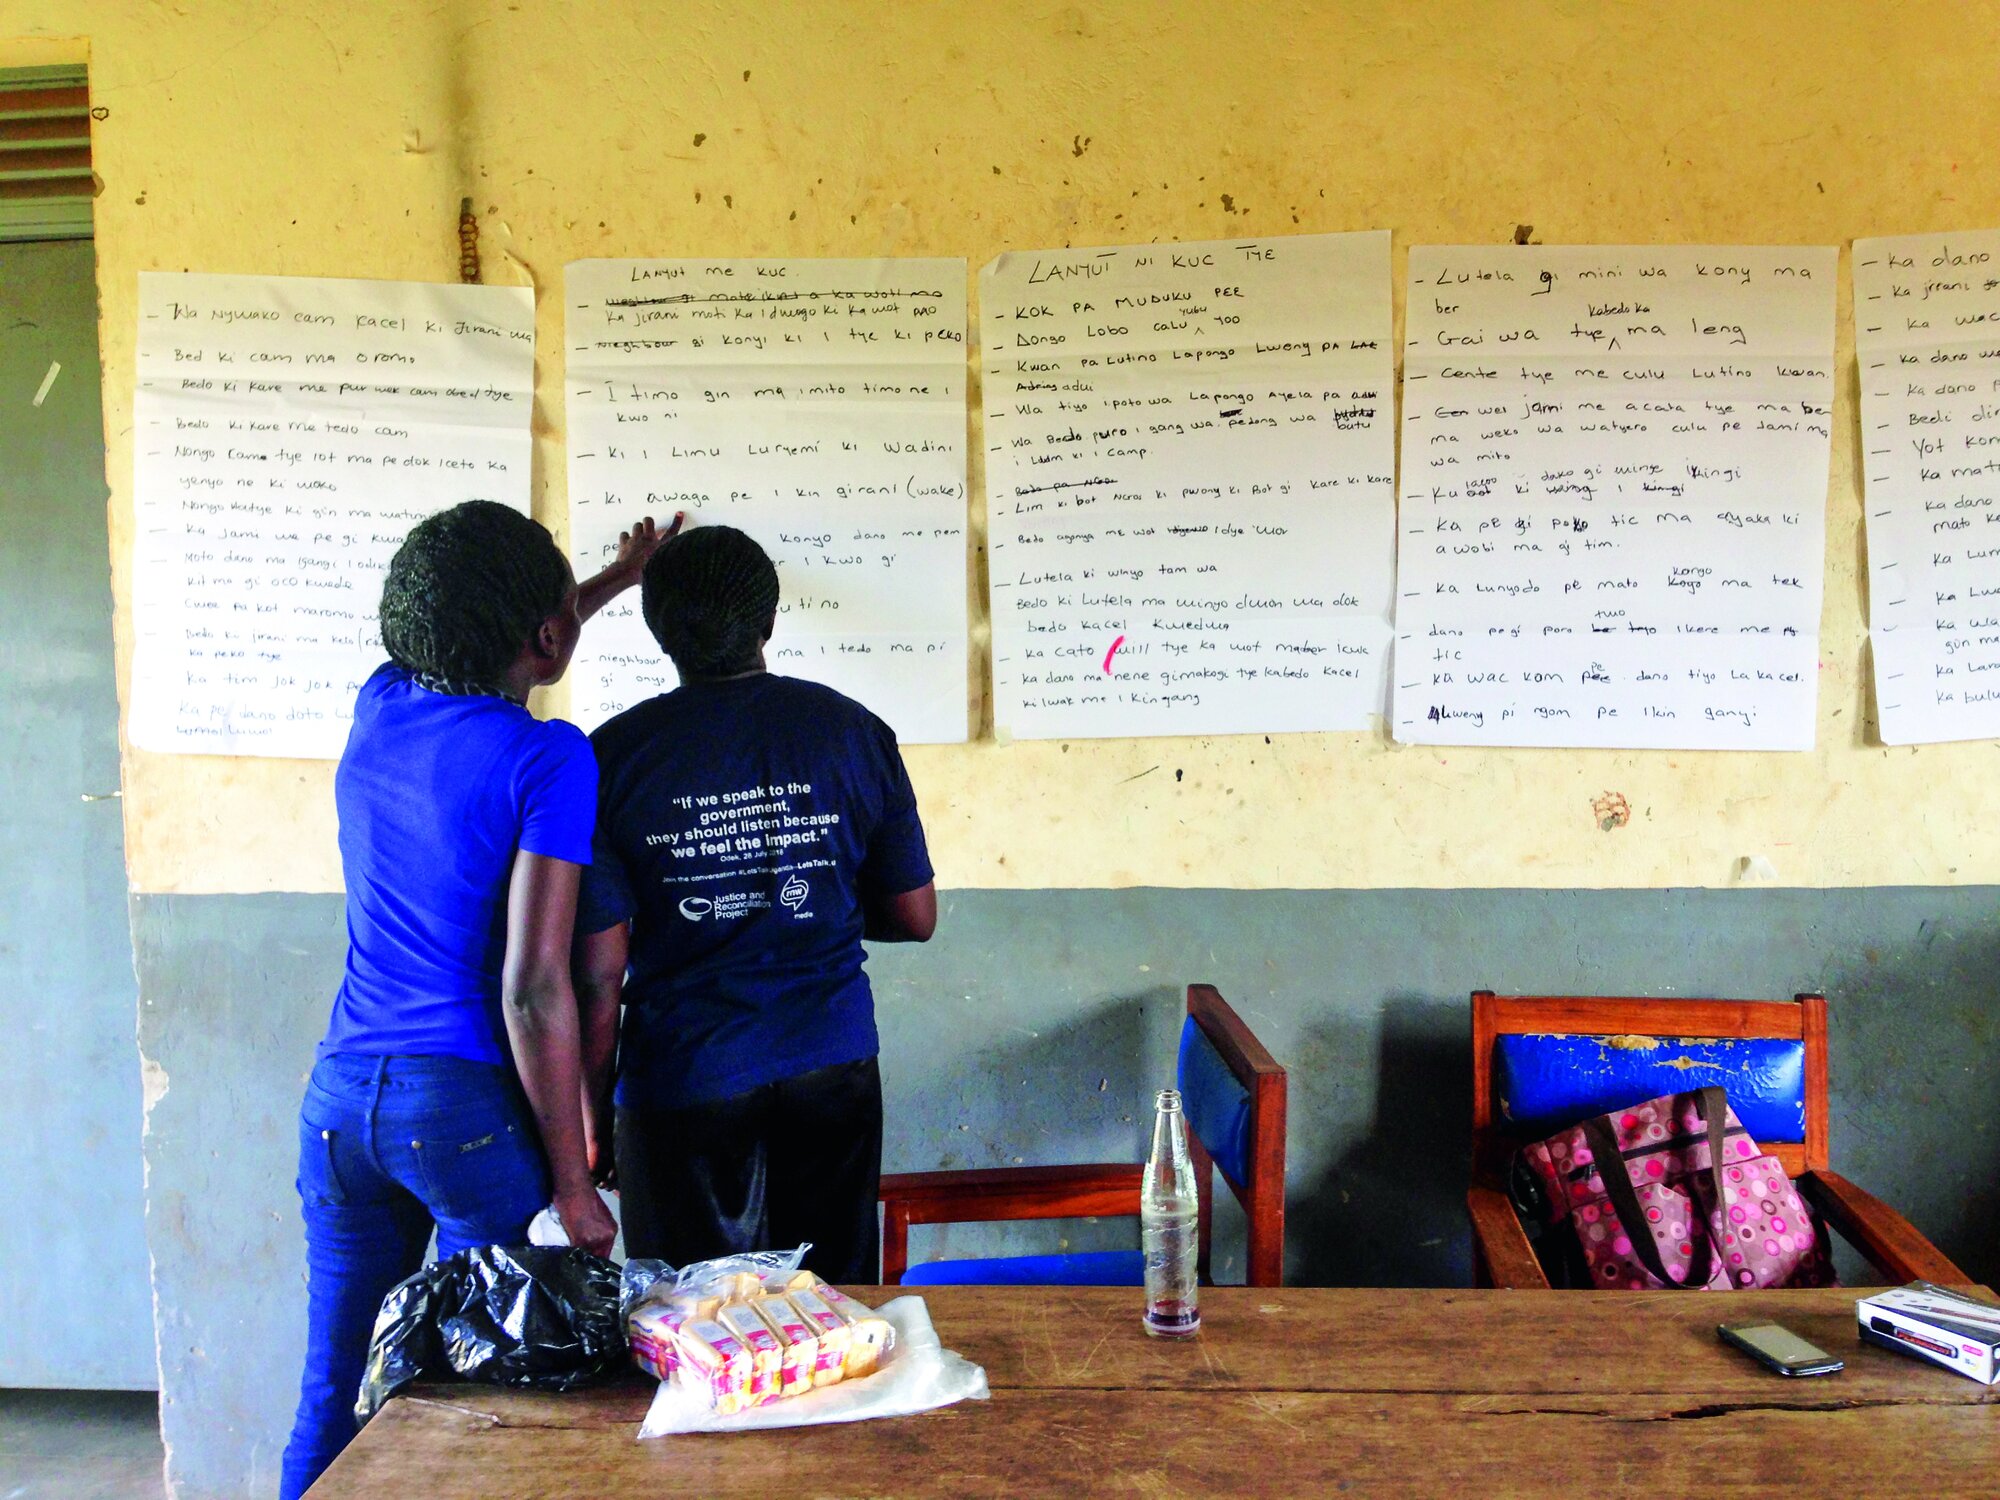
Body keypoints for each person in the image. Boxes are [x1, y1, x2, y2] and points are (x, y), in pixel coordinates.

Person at [279, 501, 670, 1500]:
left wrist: (611, 585)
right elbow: (538, 988)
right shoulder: (550, 758)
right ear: (546, 640)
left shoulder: (381, 701)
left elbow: (487, 639)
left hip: (338, 1104)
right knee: (481, 1394)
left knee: (334, 1388)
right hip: (459, 1115)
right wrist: (576, 1189)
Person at [573, 524, 937, 1285]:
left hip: (682, 1078)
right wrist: (813, 903)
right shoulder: (852, 730)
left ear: (657, 633)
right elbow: (914, 916)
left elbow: (600, 974)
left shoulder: (611, 758)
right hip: (831, 1063)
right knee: (830, 1312)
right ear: (769, 622)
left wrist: (591, 1111)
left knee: (694, 1329)